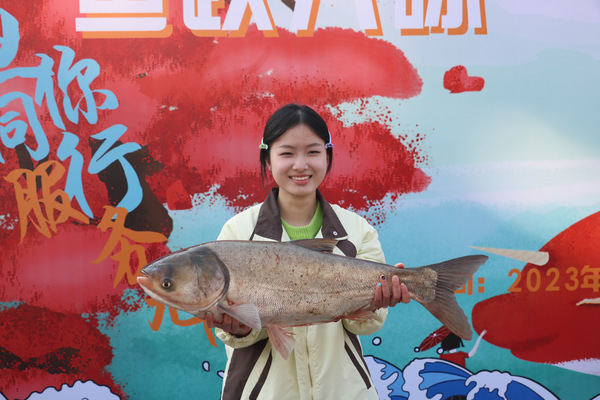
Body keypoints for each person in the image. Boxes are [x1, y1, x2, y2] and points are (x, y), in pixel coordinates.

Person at [205, 103, 410, 399]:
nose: (301, 165)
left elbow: (366, 326)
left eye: (313, 152)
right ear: (268, 160)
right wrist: (239, 328)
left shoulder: (357, 230)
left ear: (327, 156)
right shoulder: (238, 232)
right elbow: (233, 336)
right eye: (287, 153)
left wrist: (375, 304)